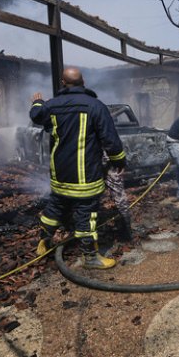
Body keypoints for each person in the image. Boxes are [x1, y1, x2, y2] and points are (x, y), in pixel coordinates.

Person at [30, 67, 126, 269]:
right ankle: (90, 258)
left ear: (63, 83)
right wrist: (119, 162)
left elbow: (36, 115)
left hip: (60, 173)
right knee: (87, 215)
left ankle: (44, 243)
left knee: (55, 207)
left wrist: (37, 101)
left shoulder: (51, 105)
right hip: (86, 175)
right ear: (84, 82)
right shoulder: (95, 106)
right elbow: (111, 140)